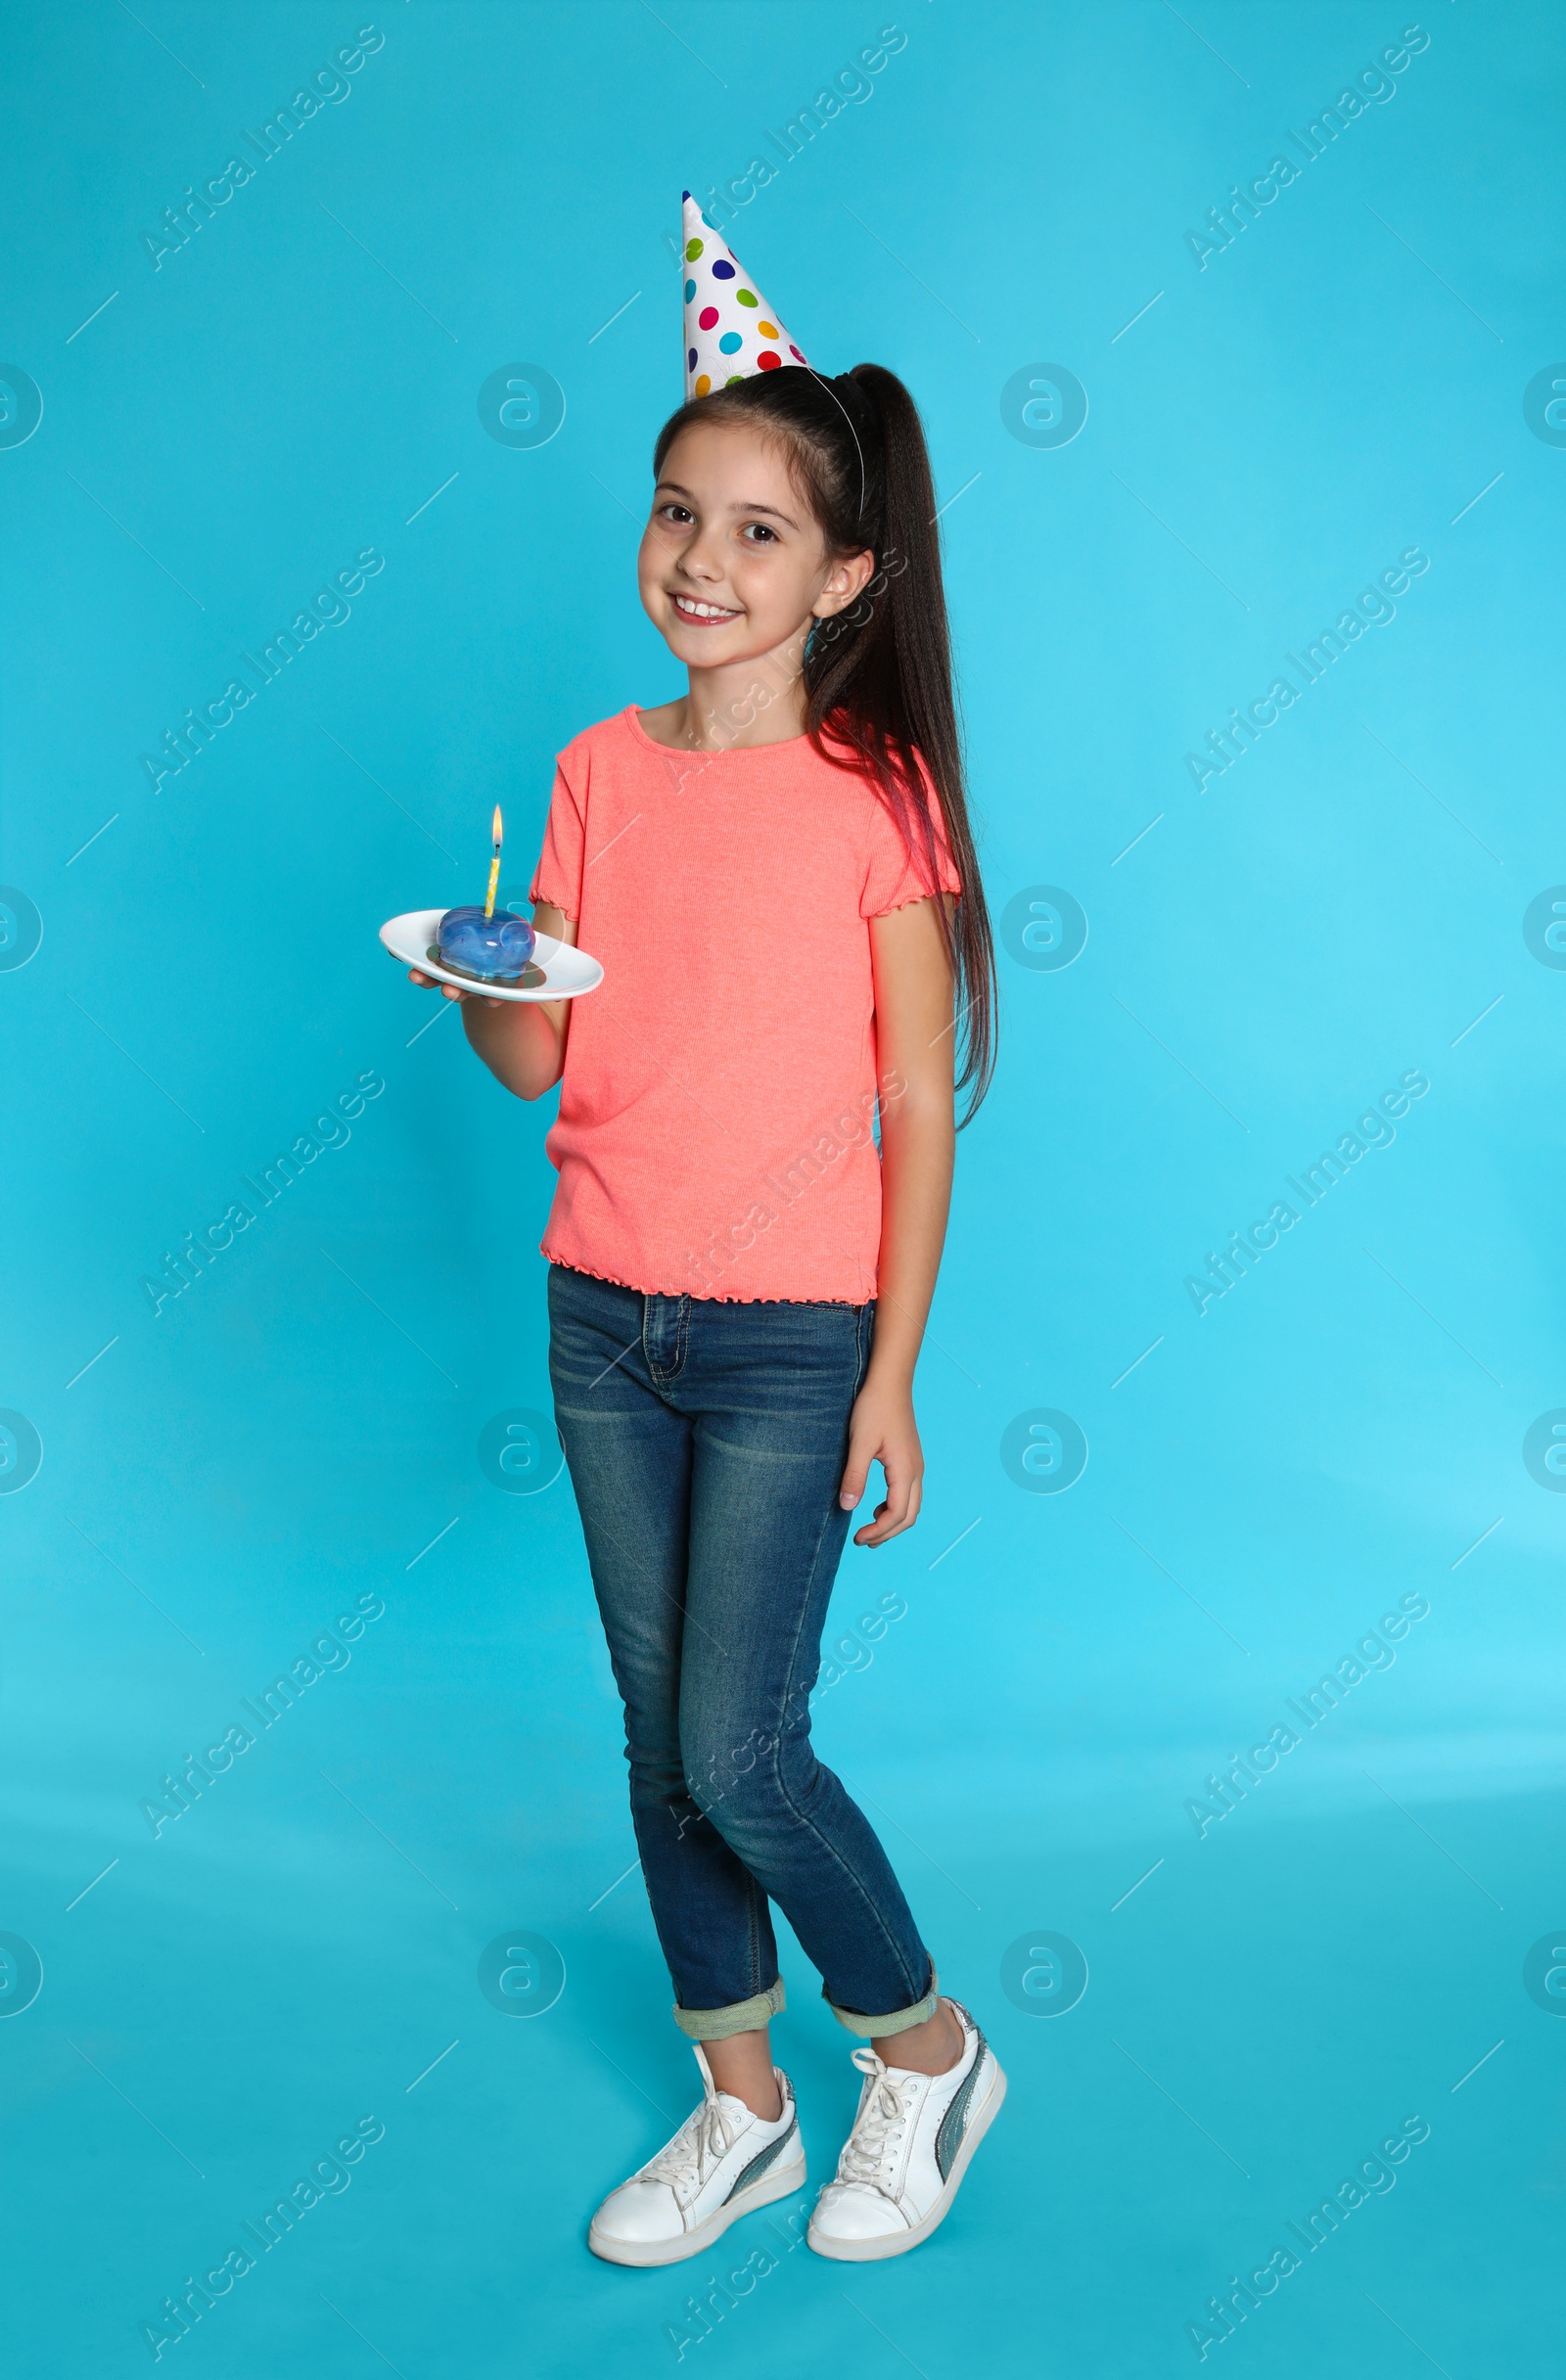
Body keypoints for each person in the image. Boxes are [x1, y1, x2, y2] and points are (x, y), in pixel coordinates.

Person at [409, 199, 1003, 2267]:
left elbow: (916, 1101)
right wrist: (477, 977)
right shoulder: (590, 768)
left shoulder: (874, 800)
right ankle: (740, 2102)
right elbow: (527, 1068)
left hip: (782, 1340)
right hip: (600, 1317)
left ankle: (918, 2048)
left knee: (740, 1742)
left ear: (840, 576)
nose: (699, 561)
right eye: (676, 512)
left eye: (757, 532)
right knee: (654, 1731)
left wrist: (894, 1372)